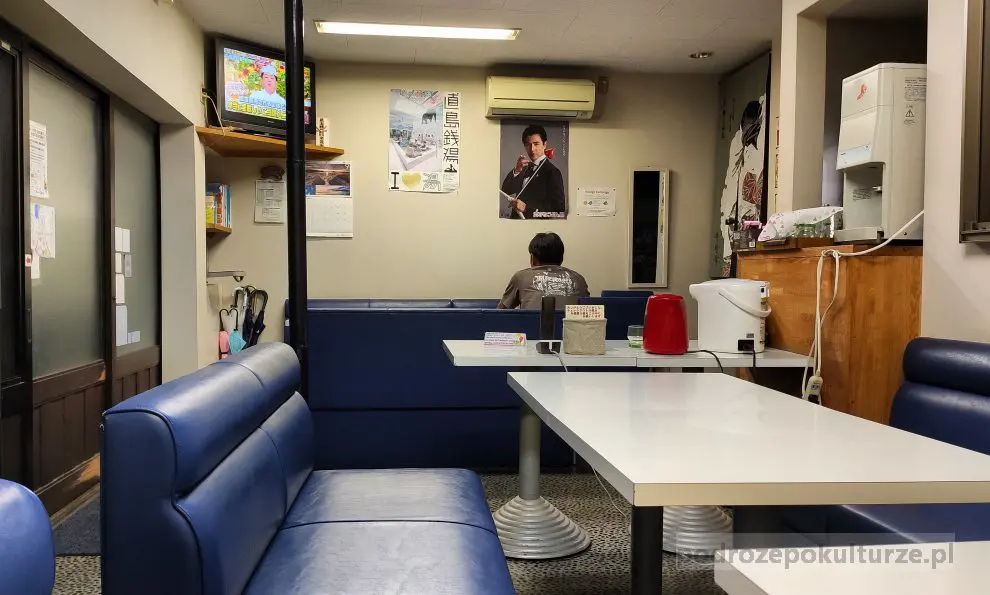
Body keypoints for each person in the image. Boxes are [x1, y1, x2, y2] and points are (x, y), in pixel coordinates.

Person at [498, 232, 590, 310]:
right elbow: (588, 316)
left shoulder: (521, 277)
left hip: (532, 325)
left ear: (533, 258)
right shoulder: (578, 279)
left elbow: (500, 313)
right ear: (561, 258)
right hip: (568, 326)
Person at [500, 125, 566, 219]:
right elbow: (506, 190)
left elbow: (559, 212)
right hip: (515, 225)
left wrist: (526, 209)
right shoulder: (523, 168)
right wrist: (517, 170)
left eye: (536, 144)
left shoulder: (552, 172)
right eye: (528, 144)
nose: (532, 149)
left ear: (544, 145)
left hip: (536, 226)